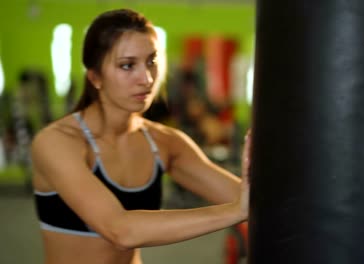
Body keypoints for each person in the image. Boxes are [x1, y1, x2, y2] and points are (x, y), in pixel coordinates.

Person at [31, 8, 251, 264]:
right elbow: (120, 230)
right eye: (127, 65)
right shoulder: (57, 142)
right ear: (95, 77)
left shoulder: (165, 142)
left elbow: (248, 199)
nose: (146, 79)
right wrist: (235, 212)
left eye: (152, 62)